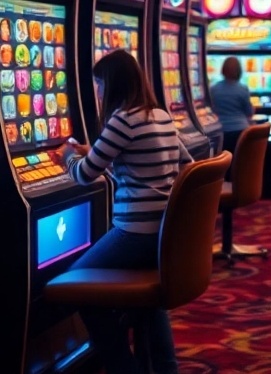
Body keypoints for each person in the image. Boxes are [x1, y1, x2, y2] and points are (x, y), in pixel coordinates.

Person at [60, 49, 193, 374]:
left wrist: (66, 155)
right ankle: (165, 367)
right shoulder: (159, 115)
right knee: (151, 301)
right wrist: (97, 151)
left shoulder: (122, 119)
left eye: (100, 85)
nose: (98, 92)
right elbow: (187, 164)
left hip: (135, 235)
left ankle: (124, 367)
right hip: (164, 234)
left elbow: (83, 174)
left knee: (75, 284)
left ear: (113, 85)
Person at [210, 56, 255, 171]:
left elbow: (211, 111)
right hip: (241, 132)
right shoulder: (243, 88)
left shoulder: (213, 89)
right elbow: (249, 113)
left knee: (225, 165)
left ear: (223, 70)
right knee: (240, 165)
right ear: (239, 71)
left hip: (221, 131)